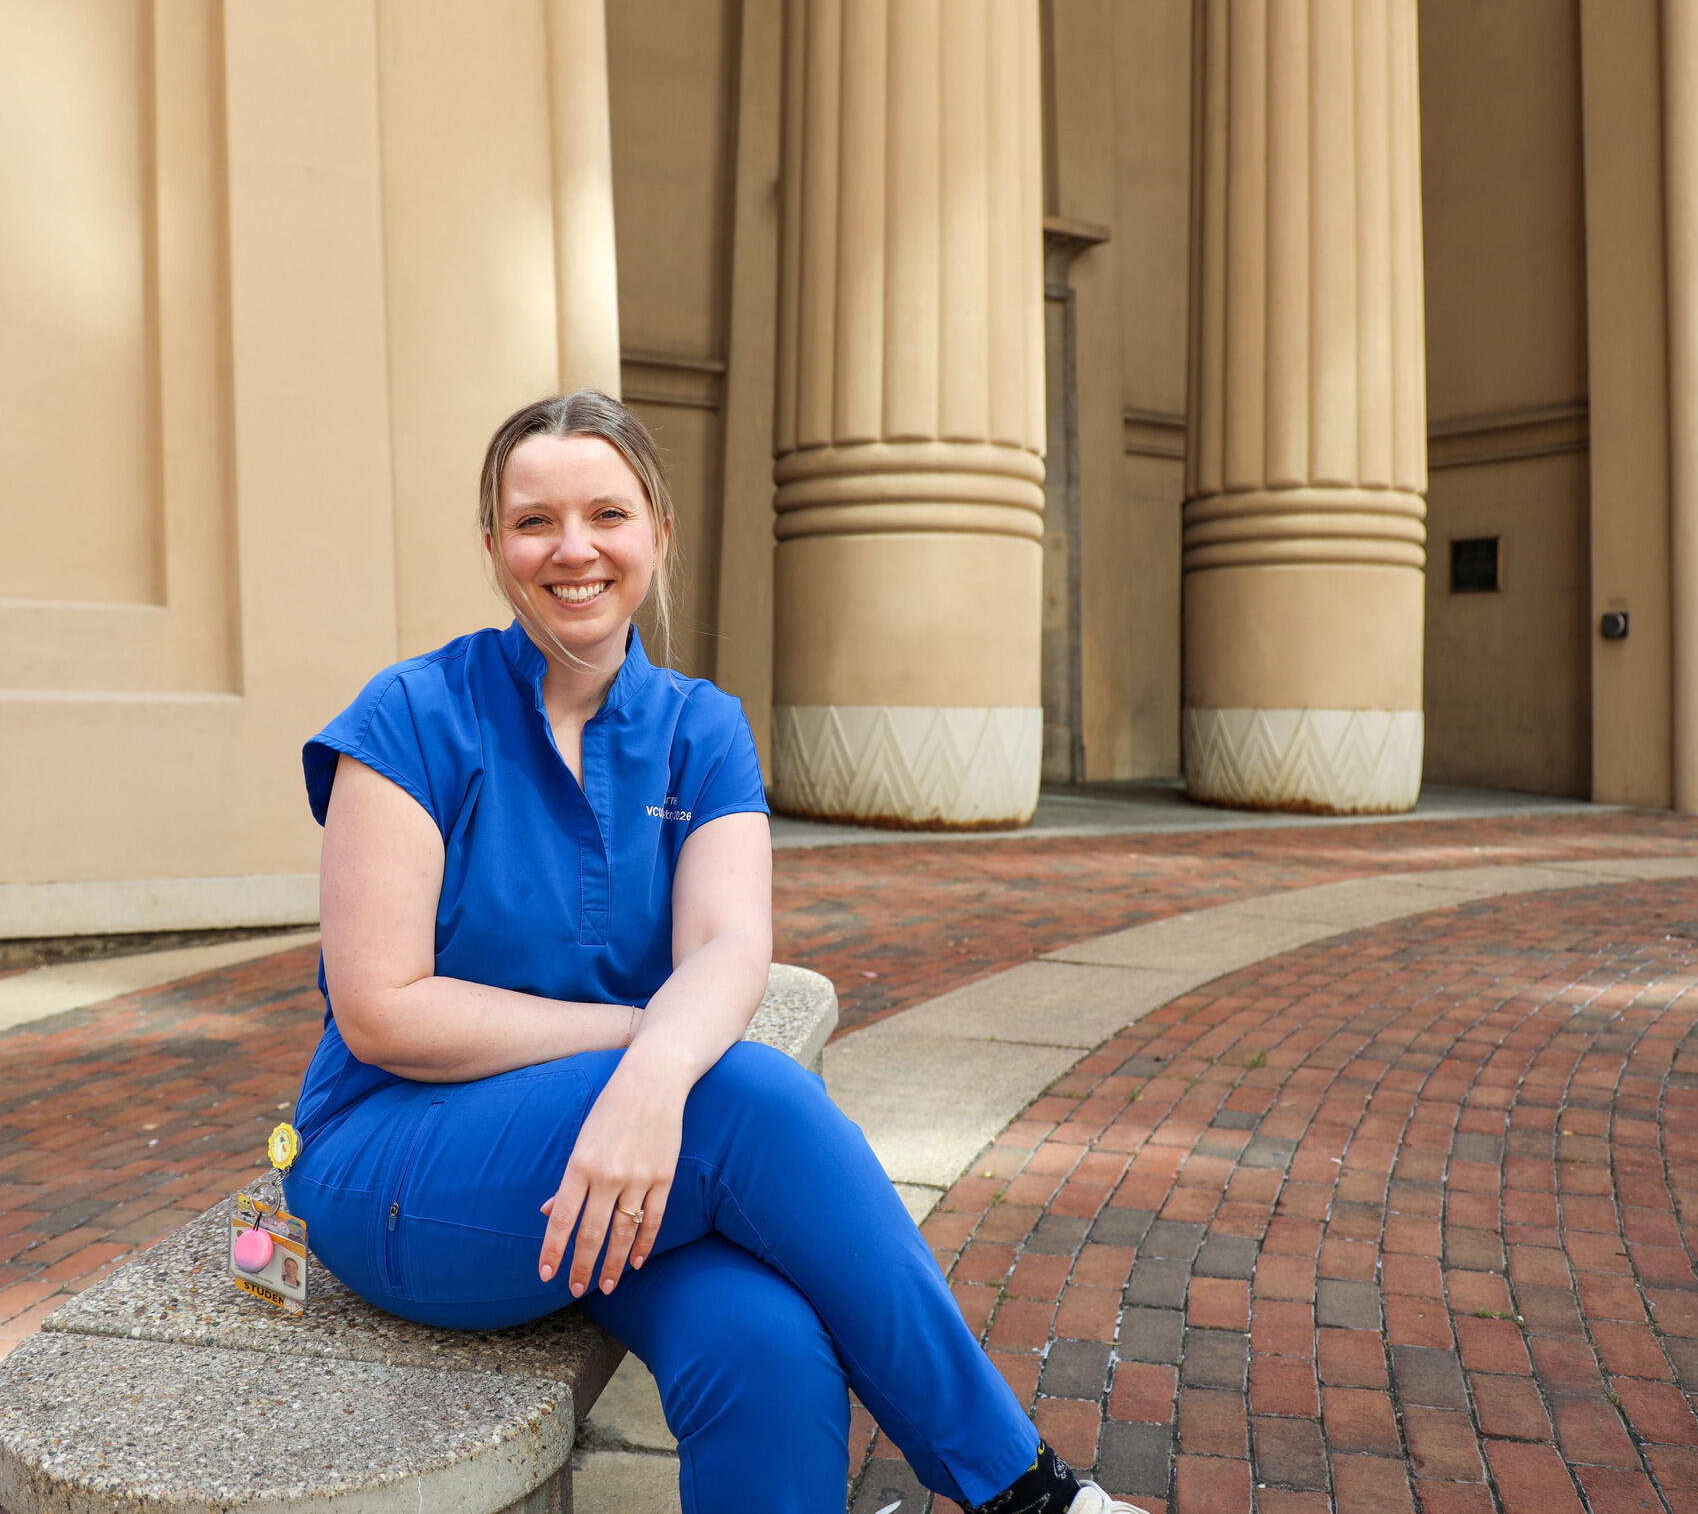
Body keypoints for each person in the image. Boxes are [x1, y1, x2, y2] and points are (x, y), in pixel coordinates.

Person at [285, 392, 1135, 1513]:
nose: (573, 548)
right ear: (492, 545)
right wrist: (649, 1052)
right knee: (742, 1092)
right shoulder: (409, 715)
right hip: (401, 1161)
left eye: (606, 512)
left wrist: (645, 1085)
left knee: (768, 1344)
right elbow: (384, 1009)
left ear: (659, 533)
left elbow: (732, 944)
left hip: (614, 1150)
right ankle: (1021, 1490)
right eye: (534, 520)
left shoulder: (700, 727)